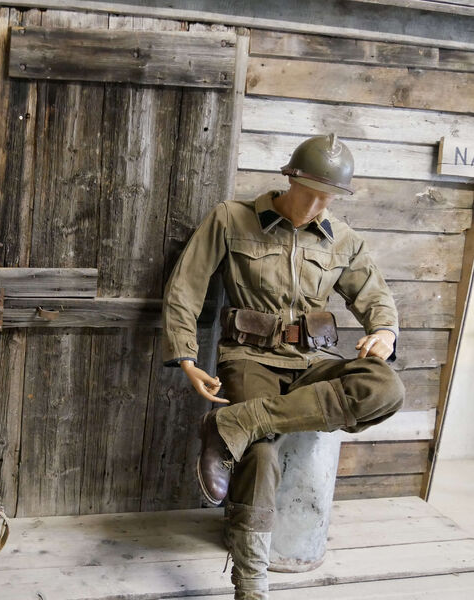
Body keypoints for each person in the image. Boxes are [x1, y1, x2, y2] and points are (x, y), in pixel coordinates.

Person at [161, 134, 405, 600]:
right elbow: (185, 290)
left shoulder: (344, 241)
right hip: (250, 359)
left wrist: (385, 332)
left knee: (386, 388)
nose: (316, 205)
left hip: (312, 361)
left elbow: (376, 297)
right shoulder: (231, 219)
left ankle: (237, 421)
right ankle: (251, 583)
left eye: (328, 196)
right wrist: (187, 357)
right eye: (309, 191)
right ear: (289, 177)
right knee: (262, 453)